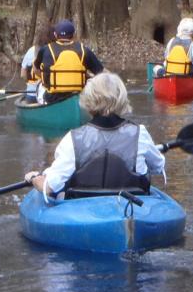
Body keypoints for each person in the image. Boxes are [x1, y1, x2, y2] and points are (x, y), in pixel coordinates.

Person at [24, 73, 165, 201]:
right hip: (130, 210)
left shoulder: (73, 139)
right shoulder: (140, 134)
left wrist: (35, 178)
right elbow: (158, 167)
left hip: (84, 215)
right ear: (122, 98)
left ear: (89, 100)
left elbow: (49, 187)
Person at [35, 19, 104, 102]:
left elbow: (36, 70)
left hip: (53, 98)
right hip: (79, 96)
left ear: (55, 35)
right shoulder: (84, 50)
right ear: (74, 35)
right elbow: (102, 74)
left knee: (41, 88)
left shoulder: (45, 50)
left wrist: (46, 81)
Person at [18, 23, 55, 103]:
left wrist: (30, 85)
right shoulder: (54, 52)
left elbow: (23, 75)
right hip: (49, 95)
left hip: (31, 95)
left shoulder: (31, 50)